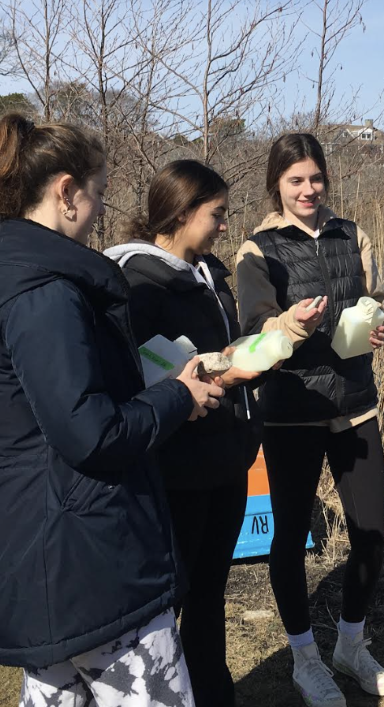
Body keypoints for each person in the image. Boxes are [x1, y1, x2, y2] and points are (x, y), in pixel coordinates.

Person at [0, 113, 224, 707]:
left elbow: (49, 415)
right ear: (66, 191)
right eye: (98, 194)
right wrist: (178, 396)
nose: (99, 212)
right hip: (90, 567)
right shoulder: (45, 294)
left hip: (38, 560)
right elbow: (90, 433)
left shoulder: (7, 279)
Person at [235, 133, 384, 707]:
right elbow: (255, 329)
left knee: (371, 534)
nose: (308, 190)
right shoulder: (256, 249)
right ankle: (305, 655)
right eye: (295, 180)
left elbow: (371, 301)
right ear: (276, 185)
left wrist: (378, 330)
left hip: (356, 403)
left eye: (316, 178)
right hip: (292, 413)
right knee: (289, 537)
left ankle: (351, 644)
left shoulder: (353, 234)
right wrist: (290, 324)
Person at [105, 160, 262, 707]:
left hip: (226, 459)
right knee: (171, 600)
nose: (224, 225)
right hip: (179, 469)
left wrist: (277, 339)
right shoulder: (135, 282)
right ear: (181, 212)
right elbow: (143, 378)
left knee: (209, 596)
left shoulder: (209, 271)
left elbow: (220, 353)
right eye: (216, 214)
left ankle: (213, 693)